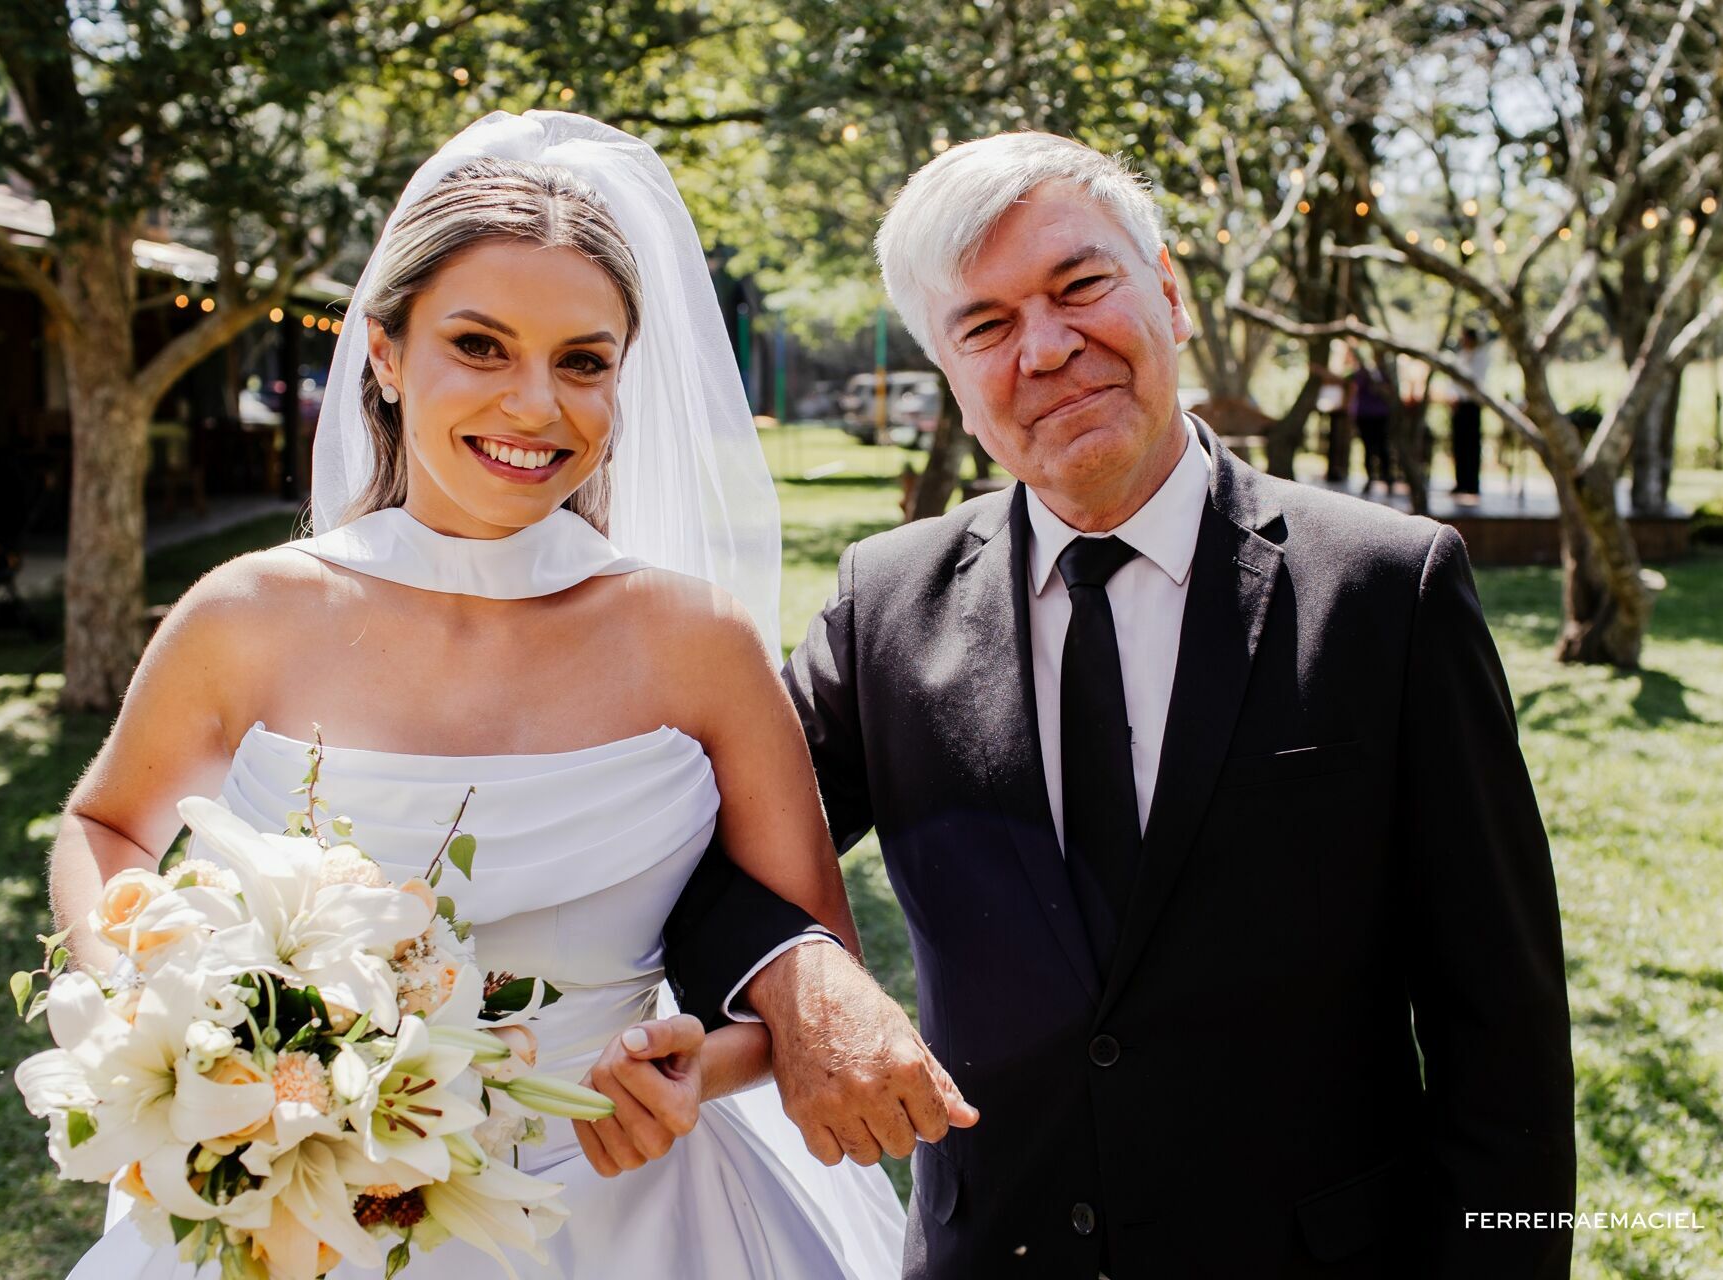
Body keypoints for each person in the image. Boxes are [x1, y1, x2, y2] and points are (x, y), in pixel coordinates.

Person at [665, 132, 1576, 1279]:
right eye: (985, 326)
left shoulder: (1389, 588)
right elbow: (689, 851)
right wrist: (801, 977)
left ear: (1172, 296)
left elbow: (1505, 1032)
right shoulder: (881, 603)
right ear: (947, 367)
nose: (1046, 348)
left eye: (1080, 284)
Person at [46, 112, 906, 1280]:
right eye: (482, 345)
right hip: (302, 1209)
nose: (536, 406)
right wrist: (159, 1007)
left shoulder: (700, 642)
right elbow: (105, 826)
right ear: (388, 355)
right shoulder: (244, 613)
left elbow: (809, 967)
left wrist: (702, 1062)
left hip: (637, 1210)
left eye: (583, 360)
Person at [1450, 327, 1493, 497]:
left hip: (1472, 405)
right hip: (1458, 405)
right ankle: (1460, 482)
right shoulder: (1460, 356)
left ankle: (1472, 483)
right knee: (1459, 445)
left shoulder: (1481, 357)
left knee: (1472, 445)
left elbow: (1475, 380)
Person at [1347, 361, 1395, 493]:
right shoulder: (1361, 374)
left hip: (1380, 416)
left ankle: (1388, 478)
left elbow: (1390, 393)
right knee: (1368, 448)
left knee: (1382, 447)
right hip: (1364, 415)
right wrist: (1351, 412)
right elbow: (1353, 390)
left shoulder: (1385, 375)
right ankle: (1370, 478)